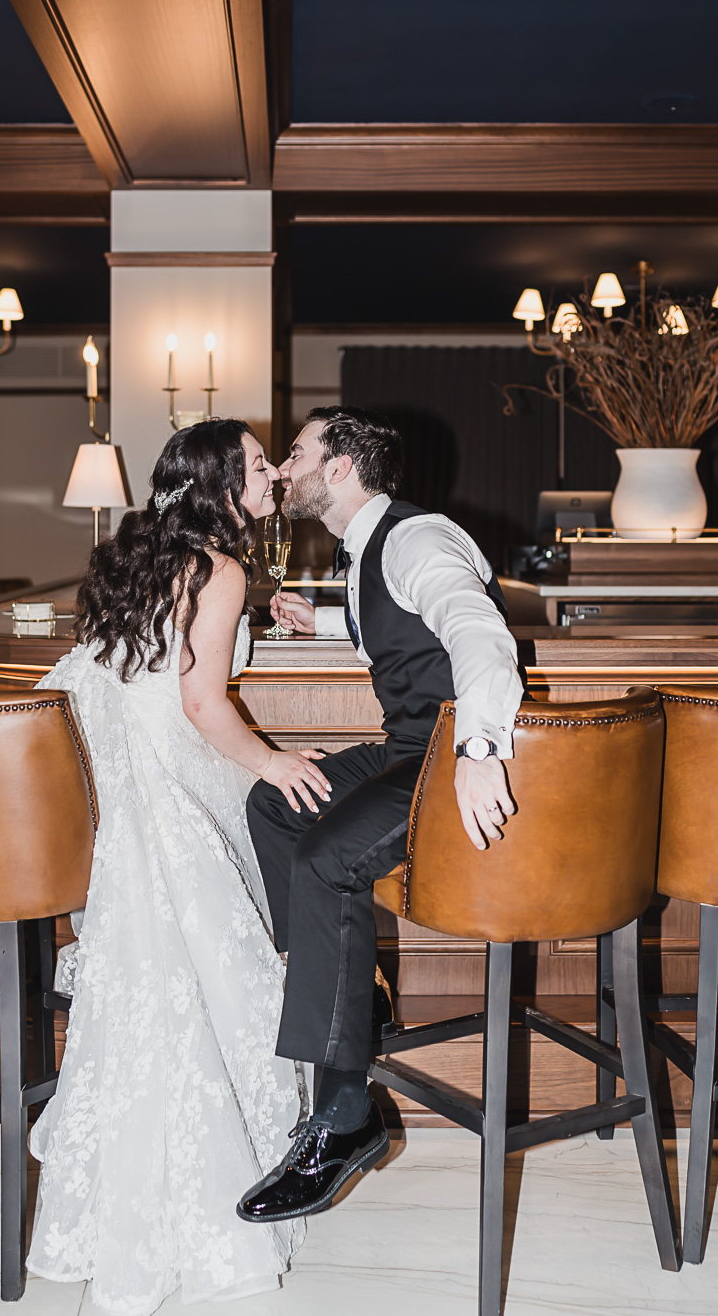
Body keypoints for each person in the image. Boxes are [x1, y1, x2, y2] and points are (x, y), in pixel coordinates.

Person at [27, 420, 332, 1315]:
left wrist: (261, 609)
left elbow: (149, 666)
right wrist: (272, 762)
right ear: (224, 486)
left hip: (130, 794)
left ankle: (111, 1208)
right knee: (214, 978)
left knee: (157, 988)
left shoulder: (150, 560)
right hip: (180, 782)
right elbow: (201, 702)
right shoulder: (222, 569)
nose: (274, 472)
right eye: (259, 463)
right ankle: (216, 1197)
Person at [237, 406, 525, 1225]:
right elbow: (400, 629)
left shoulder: (415, 537)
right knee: (277, 801)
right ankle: (354, 1001)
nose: (284, 468)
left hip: (442, 755)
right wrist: (325, 620)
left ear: (339, 468)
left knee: (325, 860)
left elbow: (477, 633)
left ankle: (343, 1117)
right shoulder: (370, 549)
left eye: (295, 453)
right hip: (406, 748)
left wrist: (479, 752)